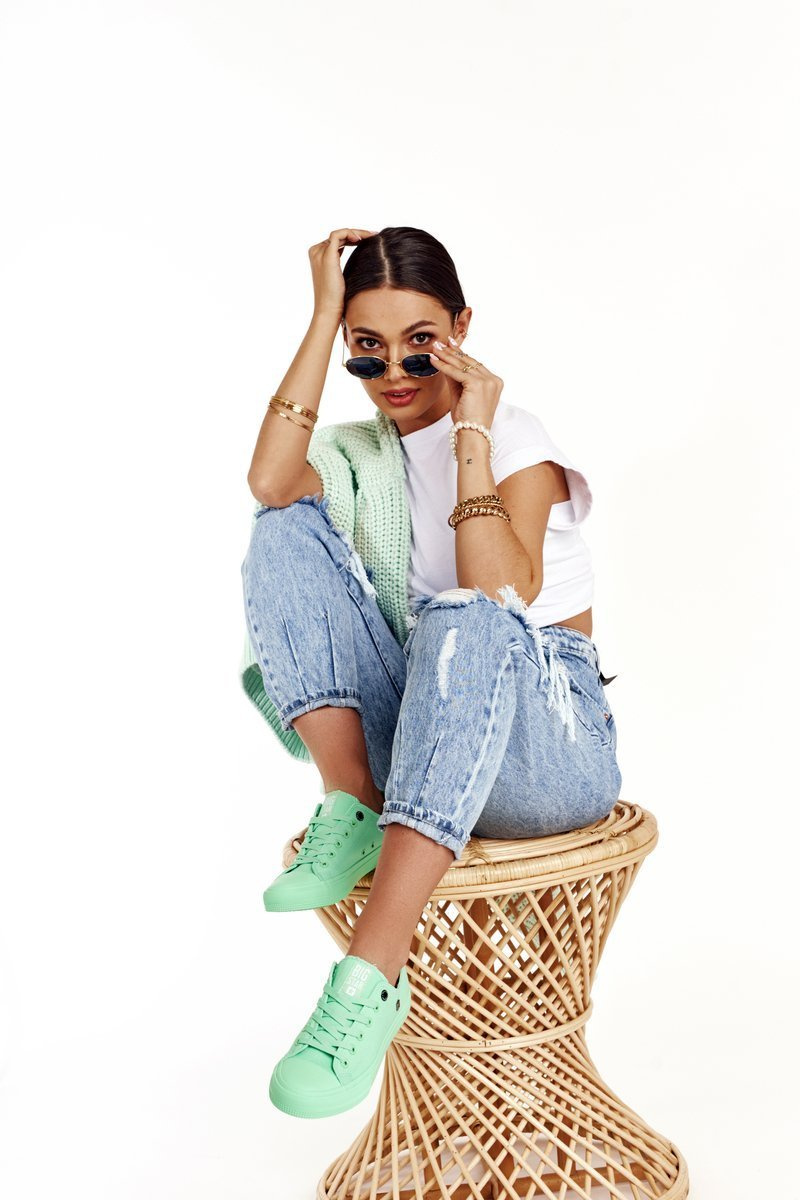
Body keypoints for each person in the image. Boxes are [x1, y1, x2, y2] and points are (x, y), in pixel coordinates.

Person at [240, 225, 622, 1120]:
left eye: (421, 343)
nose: (396, 372)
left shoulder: (516, 438)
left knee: (462, 609)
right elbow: (271, 480)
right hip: (431, 738)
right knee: (283, 527)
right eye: (365, 350)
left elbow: (497, 589)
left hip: (548, 753)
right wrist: (321, 315)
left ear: (462, 327)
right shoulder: (362, 451)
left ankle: (366, 981)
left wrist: (473, 430)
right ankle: (353, 803)